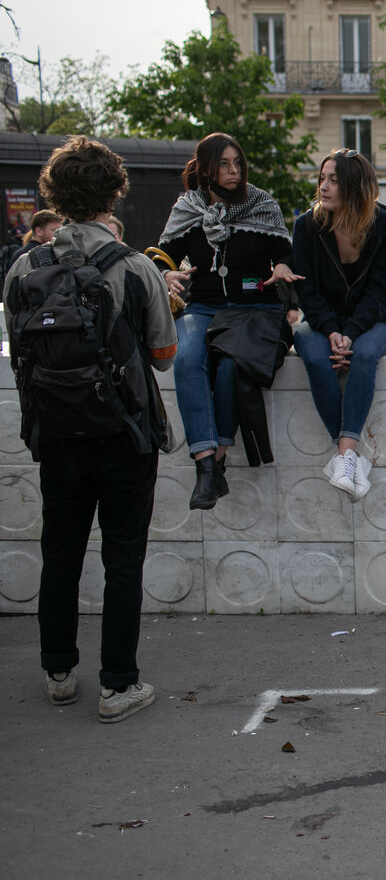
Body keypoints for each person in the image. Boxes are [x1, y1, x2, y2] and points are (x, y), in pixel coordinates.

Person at [4, 136, 177, 723]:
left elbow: (19, 351)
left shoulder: (25, 267)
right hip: (125, 435)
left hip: (55, 433)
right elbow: (163, 356)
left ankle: (58, 672)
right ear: (113, 194)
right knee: (123, 560)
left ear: (53, 194)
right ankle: (117, 685)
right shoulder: (134, 267)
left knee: (60, 552)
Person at [156, 132, 299, 509]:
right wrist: (166, 274)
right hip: (203, 306)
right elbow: (160, 255)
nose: (234, 170)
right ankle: (205, 466)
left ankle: (217, 459)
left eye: (238, 163)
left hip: (256, 307)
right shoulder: (188, 207)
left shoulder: (262, 203)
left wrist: (282, 266)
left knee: (231, 368)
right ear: (207, 168)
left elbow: (285, 252)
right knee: (187, 357)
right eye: (224, 164)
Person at [291, 149, 386, 502]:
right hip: (321, 320)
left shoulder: (385, 224)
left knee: (365, 355)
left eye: (333, 180)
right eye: (322, 179)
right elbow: (306, 291)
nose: (323, 187)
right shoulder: (307, 226)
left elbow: (379, 292)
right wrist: (332, 331)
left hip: (375, 319)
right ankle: (350, 457)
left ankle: (343, 456)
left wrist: (350, 333)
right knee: (313, 354)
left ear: (354, 186)